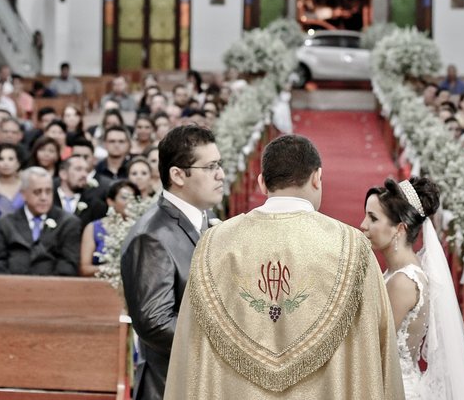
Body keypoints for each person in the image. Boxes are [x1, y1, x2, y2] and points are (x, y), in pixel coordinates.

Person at [165, 134, 405, 399]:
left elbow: (189, 348)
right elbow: (377, 343)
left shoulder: (214, 244)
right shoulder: (353, 247)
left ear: (262, 183)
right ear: (317, 177)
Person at [122, 125, 223, 400]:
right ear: (177, 174)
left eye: (220, 164)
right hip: (172, 386)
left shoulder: (207, 219)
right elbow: (154, 323)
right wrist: (226, 337)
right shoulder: (152, 237)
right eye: (211, 166)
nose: (221, 175)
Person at [361, 175, 464, 399]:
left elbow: (372, 345)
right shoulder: (401, 271)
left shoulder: (402, 282)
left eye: (373, 218)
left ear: (399, 229)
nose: (363, 225)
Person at [0, 167, 82, 276]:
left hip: (53, 289)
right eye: (37, 192)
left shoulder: (68, 222)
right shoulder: (6, 222)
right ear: (23, 194)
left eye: (48, 191)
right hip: (11, 288)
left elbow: (68, 265)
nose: (44, 197)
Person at [81, 180, 141, 277]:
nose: (130, 203)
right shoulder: (93, 228)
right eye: (124, 198)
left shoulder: (140, 228)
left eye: (133, 199)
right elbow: (85, 269)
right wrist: (112, 268)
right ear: (110, 202)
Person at [0, 143, 26, 208]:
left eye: (11, 159)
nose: (5, 163)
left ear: (18, 163)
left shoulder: (26, 185)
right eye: (1, 159)